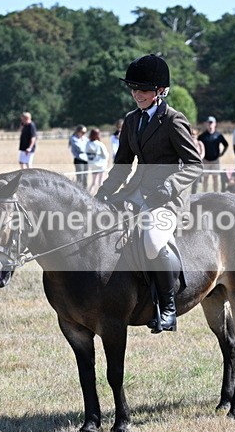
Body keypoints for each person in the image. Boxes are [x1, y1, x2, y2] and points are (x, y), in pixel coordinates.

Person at [95, 54, 202, 334]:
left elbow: (194, 165)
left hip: (167, 197)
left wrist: (169, 188)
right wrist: (104, 192)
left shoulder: (173, 120)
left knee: (153, 240)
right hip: (134, 192)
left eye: (143, 89)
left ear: (160, 91)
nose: (137, 94)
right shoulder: (131, 121)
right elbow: (122, 165)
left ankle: (168, 309)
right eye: (133, 89)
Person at [198, 116, 229, 192]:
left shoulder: (218, 135)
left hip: (215, 160)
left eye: (211, 123)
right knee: (205, 178)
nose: (210, 124)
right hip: (205, 160)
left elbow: (226, 144)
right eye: (208, 123)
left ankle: (215, 194)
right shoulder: (202, 136)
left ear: (215, 124)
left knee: (215, 178)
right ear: (206, 124)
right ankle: (204, 194)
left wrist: (222, 153)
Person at [86, 128, 109, 195]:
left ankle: (88, 194)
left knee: (93, 182)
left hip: (92, 165)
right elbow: (105, 154)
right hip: (101, 165)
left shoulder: (88, 143)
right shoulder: (99, 144)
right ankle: (101, 196)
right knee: (100, 182)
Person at [70, 125, 89, 189]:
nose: (84, 134)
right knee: (80, 178)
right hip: (79, 160)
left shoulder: (85, 138)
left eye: (85, 132)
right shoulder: (73, 138)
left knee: (85, 177)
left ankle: (85, 191)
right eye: (83, 132)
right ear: (78, 131)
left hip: (86, 159)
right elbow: (80, 148)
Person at [190, 127, 206, 194]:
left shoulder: (200, 143)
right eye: (191, 134)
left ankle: (193, 197)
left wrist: (197, 159)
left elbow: (203, 153)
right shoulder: (188, 143)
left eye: (194, 134)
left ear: (197, 135)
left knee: (195, 185)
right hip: (189, 166)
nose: (193, 136)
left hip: (197, 166)